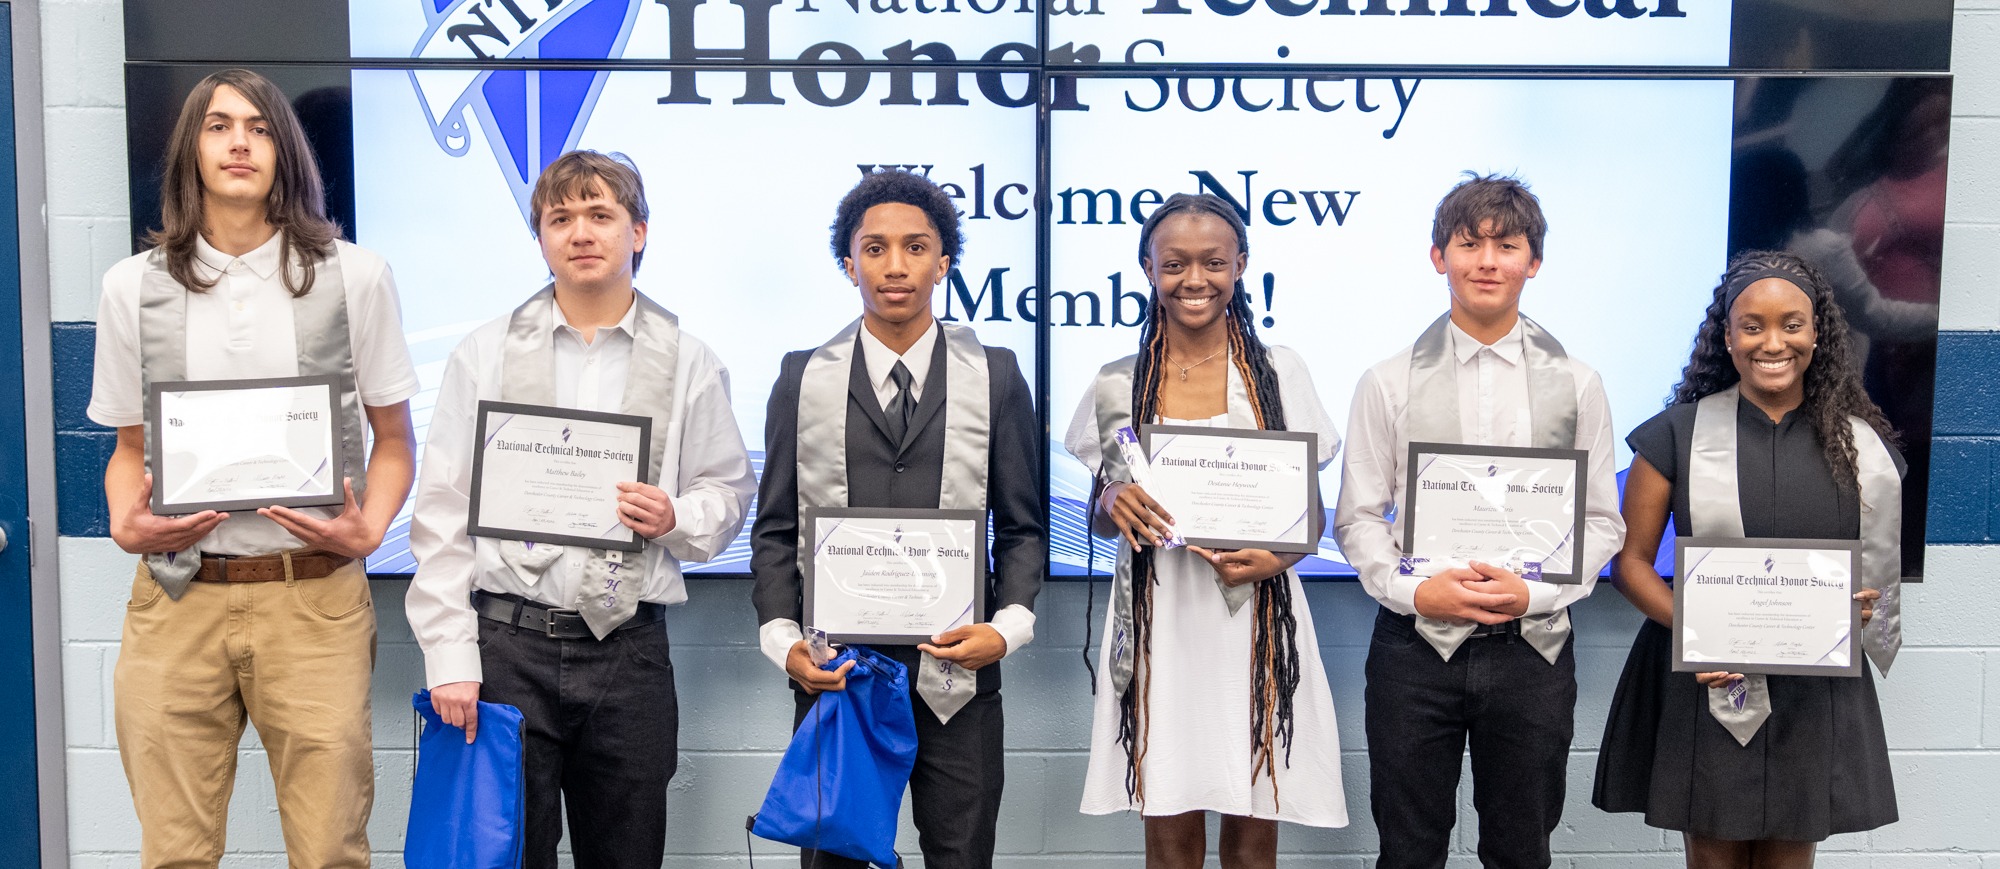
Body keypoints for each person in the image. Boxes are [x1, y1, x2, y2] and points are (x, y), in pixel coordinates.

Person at [88, 68, 420, 867]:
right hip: (177, 598)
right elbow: (128, 454)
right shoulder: (131, 287)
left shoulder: (356, 276)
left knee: (331, 849)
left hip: (313, 600)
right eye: (218, 125)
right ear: (189, 151)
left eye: (260, 127)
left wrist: (371, 524)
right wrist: (122, 517)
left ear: (287, 151)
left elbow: (396, 440)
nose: (240, 141)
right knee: (173, 851)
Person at [406, 150, 756, 868]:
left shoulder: (690, 360)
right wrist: (449, 655)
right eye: (560, 218)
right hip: (506, 649)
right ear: (540, 238)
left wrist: (676, 517)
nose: (581, 232)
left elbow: (728, 493)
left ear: (640, 231)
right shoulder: (485, 354)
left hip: (628, 653)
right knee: (504, 858)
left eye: (601, 214)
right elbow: (442, 514)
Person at [750, 169, 1045, 869]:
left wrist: (1005, 631)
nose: (895, 265)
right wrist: (782, 640)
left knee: (962, 855)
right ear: (849, 263)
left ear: (943, 262)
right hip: (841, 672)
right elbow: (774, 530)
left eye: (916, 247)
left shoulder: (996, 375)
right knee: (835, 861)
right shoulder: (802, 376)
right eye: (874, 248)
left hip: (959, 673)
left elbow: (1025, 526)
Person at [1333, 173, 1625, 869]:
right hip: (1414, 646)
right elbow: (1358, 517)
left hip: (1533, 647)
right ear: (1439, 257)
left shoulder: (1579, 383)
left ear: (1535, 261)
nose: (1487, 261)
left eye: (1507, 244)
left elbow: (1600, 521)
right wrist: (1414, 591)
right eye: (1469, 244)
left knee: (1522, 851)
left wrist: (1539, 592)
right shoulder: (1387, 379)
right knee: (1407, 851)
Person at [1592, 250, 1903, 868]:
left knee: (1792, 857)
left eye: (1792, 323)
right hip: (1706, 679)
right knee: (1713, 854)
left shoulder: (1863, 447)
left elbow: (1866, 574)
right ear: (1726, 335)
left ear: (1818, 332)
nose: (1773, 342)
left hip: (1812, 686)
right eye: (1752, 325)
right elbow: (1630, 563)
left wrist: (1861, 606)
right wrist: (1699, 634)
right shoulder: (1676, 434)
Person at [1067, 192, 1348, 868]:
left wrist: (1273, 557)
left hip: (1254, 611)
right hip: (1162, 612)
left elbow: (1307, 514)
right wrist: (1113, 500)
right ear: (1148, 268)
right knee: (1167, 804)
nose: (1195, 279)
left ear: (1241, 265)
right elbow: (1099, 518)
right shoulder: (1118, 381)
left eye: (1215, 262)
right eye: (1176, 264)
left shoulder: (1278, 371)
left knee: (1254, 815)